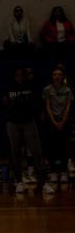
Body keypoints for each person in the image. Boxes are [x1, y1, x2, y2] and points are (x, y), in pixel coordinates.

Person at [4, 66, 46, 194]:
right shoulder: (9, 88)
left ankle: (43, 182)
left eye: (21, 75)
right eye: (16, 75)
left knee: (36, 152)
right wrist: (13, 105)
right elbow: (5, 104)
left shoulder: (31, 87)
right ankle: (19, 181)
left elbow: (37, 103)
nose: (19, 78)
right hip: (13, 123)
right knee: (15, 153)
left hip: (28, 122)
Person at [41, 64, 72, 192]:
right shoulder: (47, 89)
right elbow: (47, 107)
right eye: (55, 74)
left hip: (64, 122)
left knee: (64, 146)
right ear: (52, 76)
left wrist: (62, 121)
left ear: (63, 76)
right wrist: (54, 121)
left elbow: (68, 107)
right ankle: (53, 171)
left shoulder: (68, 90)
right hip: (51, 121)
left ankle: (64, 171)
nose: (57, 76)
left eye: (59, 74)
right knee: (52, 146)